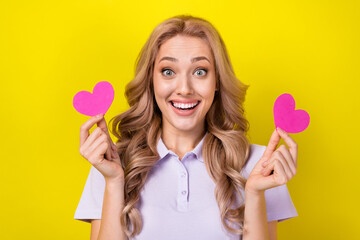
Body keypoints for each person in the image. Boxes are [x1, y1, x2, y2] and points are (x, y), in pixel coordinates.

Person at [74, 14, 298, 240]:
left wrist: (254, 194)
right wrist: (114, 182)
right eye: (168, 71)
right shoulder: (110, 162)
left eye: (200, 71)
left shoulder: (261, 164)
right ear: (151, 80)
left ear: (217, 81)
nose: (184, 89)